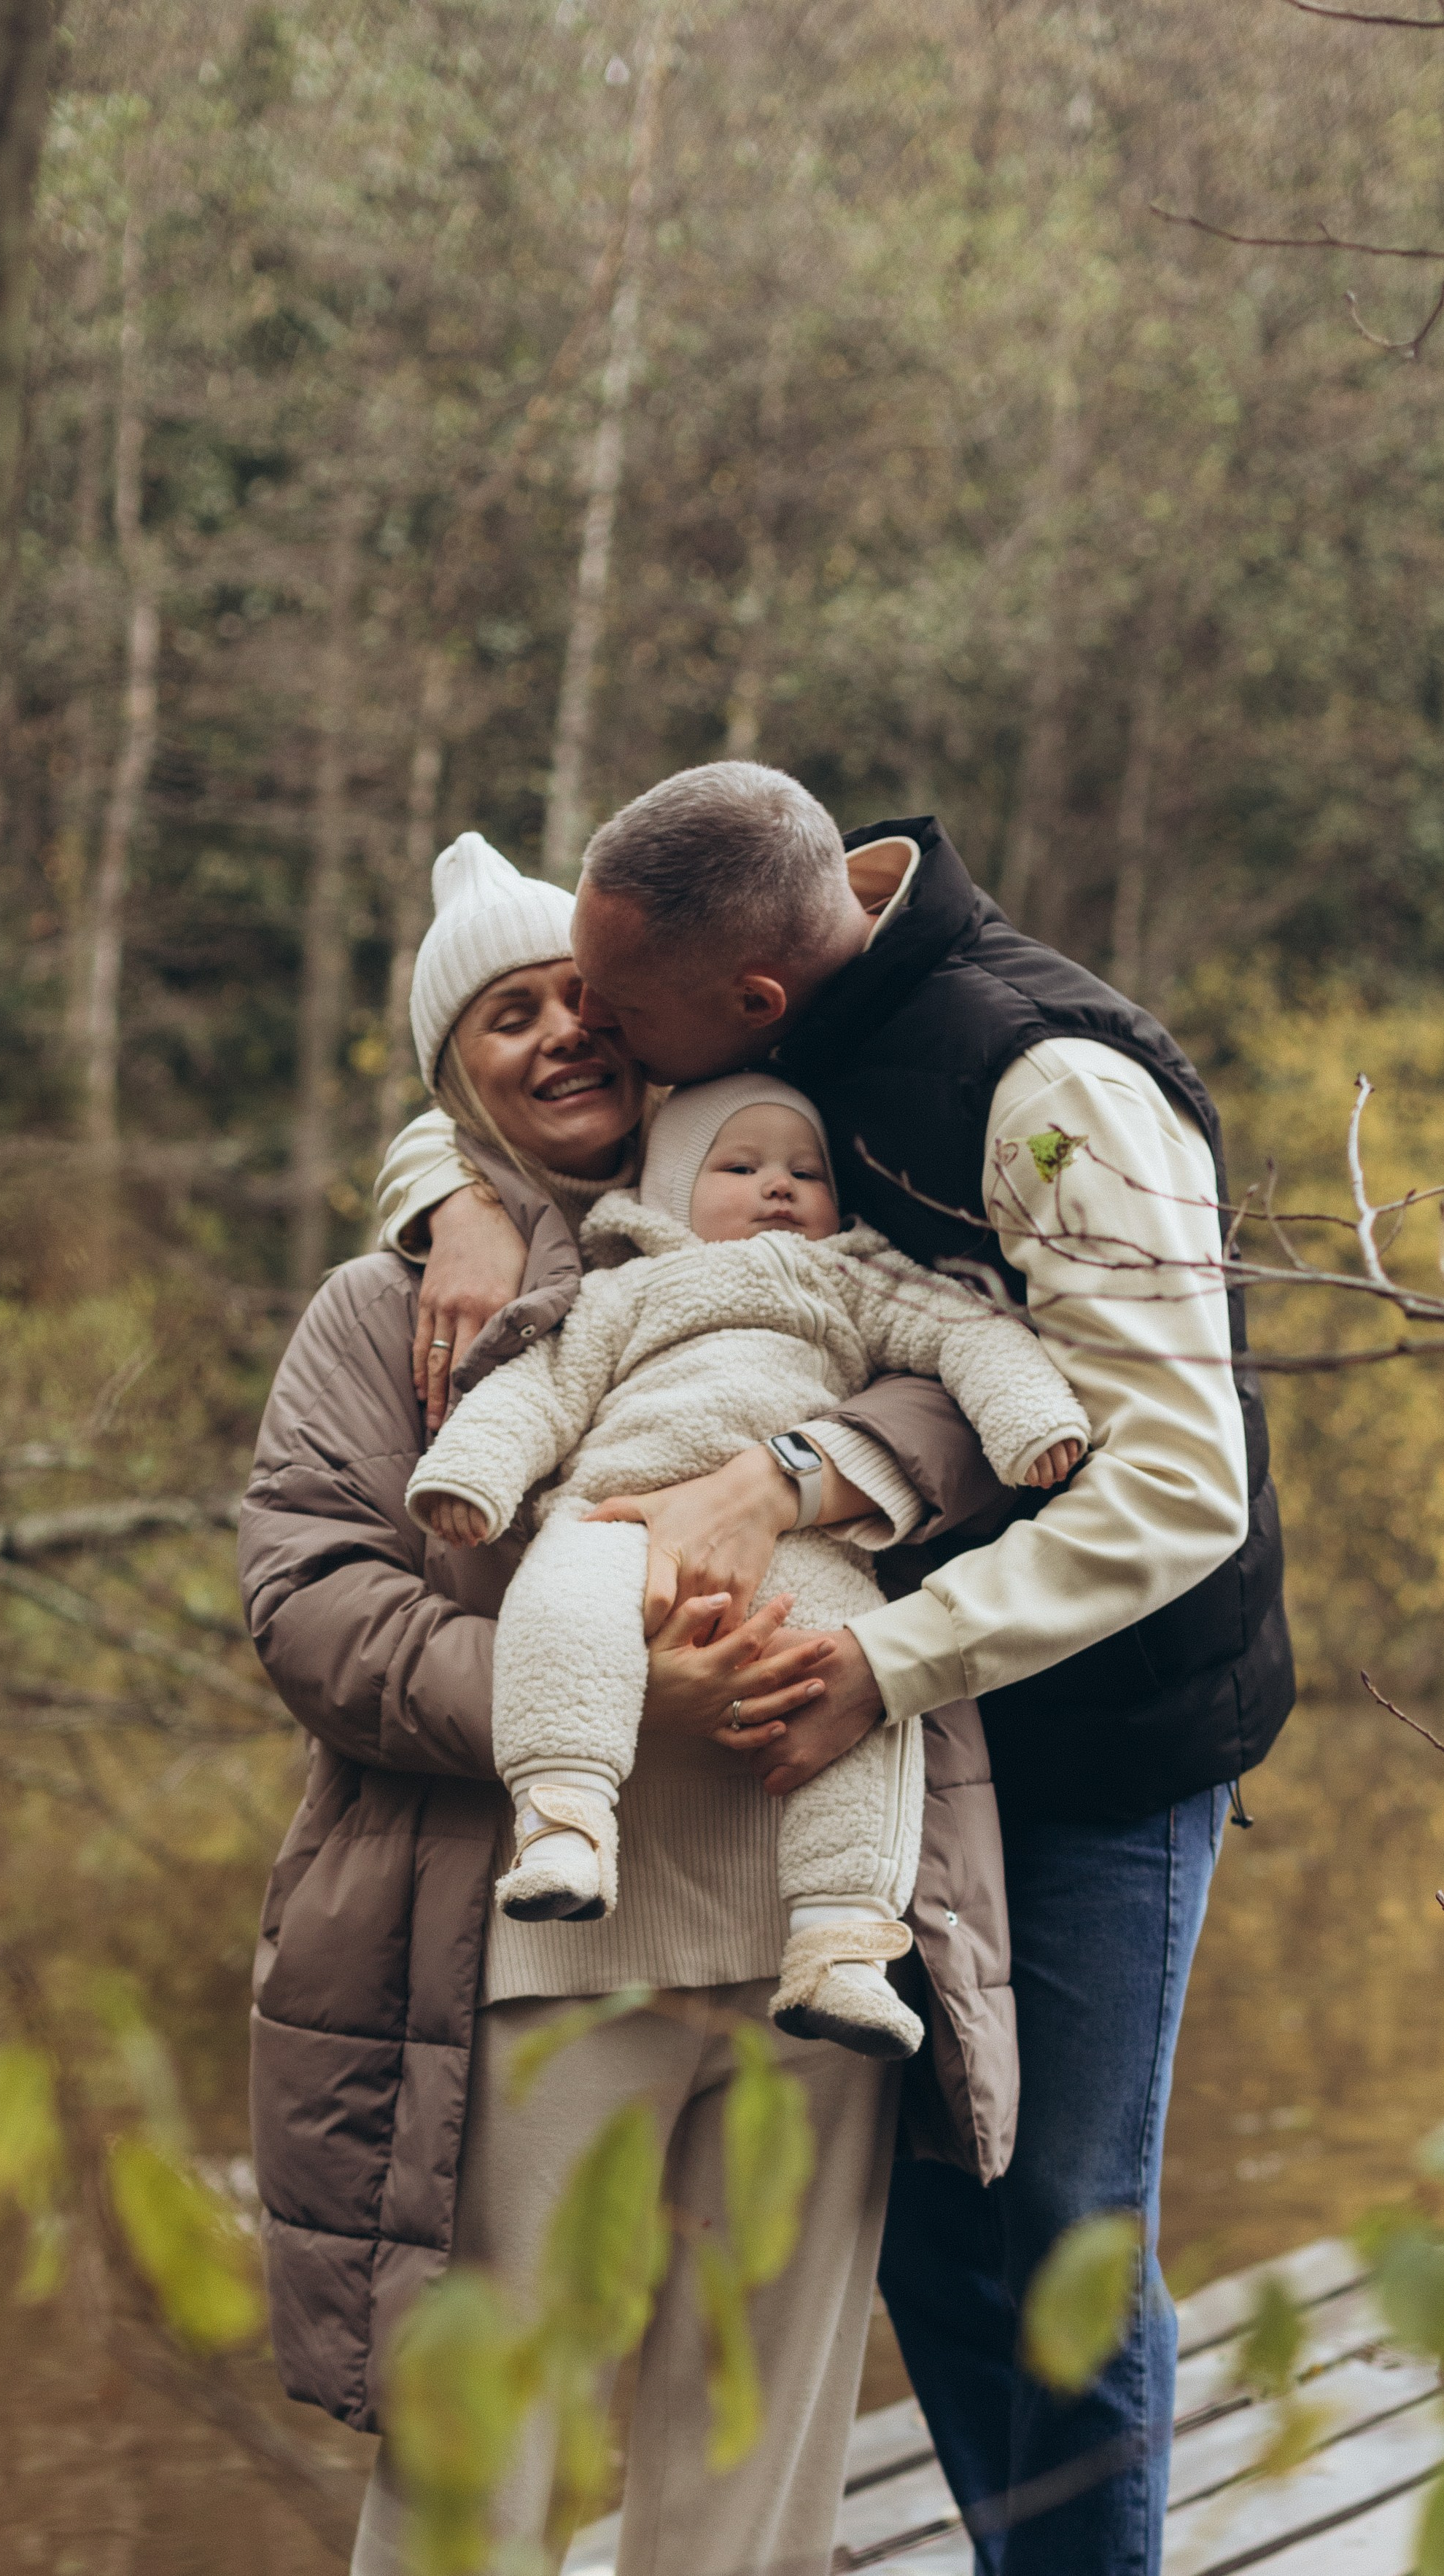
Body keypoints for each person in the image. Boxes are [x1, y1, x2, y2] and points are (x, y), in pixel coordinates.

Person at [373, 766, 1294, 2576]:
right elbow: (495, 1060)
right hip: (905, 1726)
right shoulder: (737, 909)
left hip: (1091, 1727)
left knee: (1056, 2238)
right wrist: (446, 1199)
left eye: (625, 1022)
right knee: (925, 2234)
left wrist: (866, 1621)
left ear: (748, 1011)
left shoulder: (1050, 1092)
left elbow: (1176, 1485)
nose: (602, 1048)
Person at [241, 830, 1022, 2576]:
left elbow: (978, 1391)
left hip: (812, 1951)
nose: (561, 1037)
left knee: (752, 2483)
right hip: (524, 1966)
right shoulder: (389, 1311)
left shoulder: (813, 1228)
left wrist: (809, 1470)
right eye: (506, 1019)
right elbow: (307, 1605)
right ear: (454, 1086)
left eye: (583, 1000)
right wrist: (596, 1694)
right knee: (478, 2482)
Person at [409, 1070, 1086, 2059]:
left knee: (850, 1680)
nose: (779, 1185)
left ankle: (842, 1938)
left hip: (802, 1540)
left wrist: (1033, 1422)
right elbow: (540, 1388)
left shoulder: (854, 1277)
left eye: (803, 1170)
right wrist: (472, 1473)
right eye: (742, 1164)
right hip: (619, 1511)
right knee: (553, 1608)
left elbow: (968, 1332)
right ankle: (563, 1816)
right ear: (670, 1189)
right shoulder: (620, 1289)